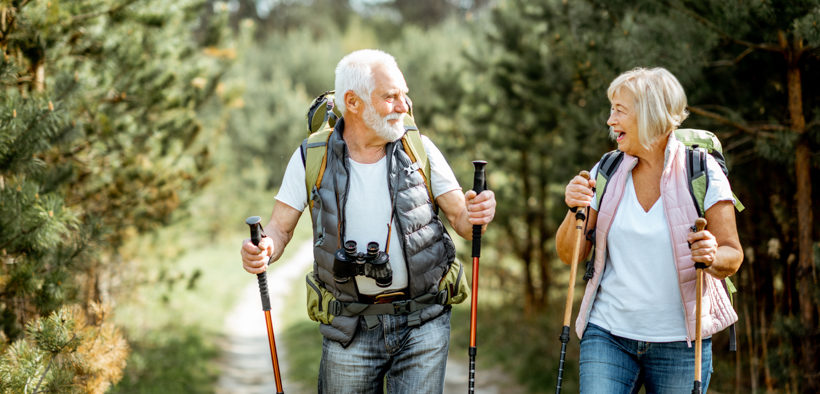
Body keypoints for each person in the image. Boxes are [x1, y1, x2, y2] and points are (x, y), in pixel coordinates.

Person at [240, 49, 496, 393]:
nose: (403, 106)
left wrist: (478, 211)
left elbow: (463, 223)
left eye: (404, 95)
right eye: (390, 97)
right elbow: (279, 230)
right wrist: (263, 249)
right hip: (349, 326)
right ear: (353, 102)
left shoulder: (420, 149)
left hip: (424, 322)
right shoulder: (311, 156)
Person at [555, 67, 743, 393]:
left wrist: (711, 255)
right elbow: (569, 254)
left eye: (619, 111)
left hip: (680, 343)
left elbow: (732, 254)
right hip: (608, 333)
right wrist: (575, 210)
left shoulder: (701, 170)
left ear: (650, 114)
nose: (610, 121)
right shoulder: (608, 170)